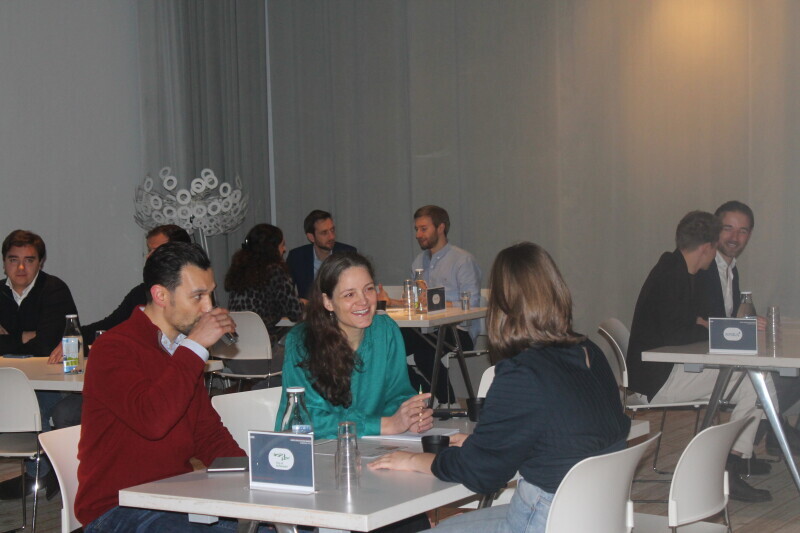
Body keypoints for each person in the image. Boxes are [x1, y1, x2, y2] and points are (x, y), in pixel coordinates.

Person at [369, 242, 630, 533]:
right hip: (595, 513)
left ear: (503, 306)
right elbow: (562, 435)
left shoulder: (523, 373)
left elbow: (481, 475)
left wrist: (415, 460)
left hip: (545, 517)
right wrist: (481, 446)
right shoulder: (589, 351)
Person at [74, 242, 267, 531]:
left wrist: (255, 480)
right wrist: (195, 346)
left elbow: (207, 434)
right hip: (118, 508)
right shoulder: (113, 348)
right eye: (198, 296)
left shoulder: (181, 350)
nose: (209, 307)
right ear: (161, 295)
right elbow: (152, 421)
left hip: (176, 499)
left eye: (210, 294)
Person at [627, 210, 774, 502]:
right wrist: (704, 327)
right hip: (657, 381)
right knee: (757, 381)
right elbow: (677, 332)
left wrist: (701, 325)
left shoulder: (673, 268)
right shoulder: (674, 276)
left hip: (661, 371)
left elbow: (685, 323)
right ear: (708, 247)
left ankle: (734, 461)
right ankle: (731, 465)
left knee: (755, 379)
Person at [275, 251, 433, 441]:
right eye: (349, 294)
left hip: (372, 445)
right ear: (328, 302)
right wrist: (384, 424)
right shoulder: (302, 341)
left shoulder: (385, 330)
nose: (363, 301)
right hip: (315, 450)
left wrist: (410, 414)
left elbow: (398, 393)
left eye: (368, 289)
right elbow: (303, 419)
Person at [695, 201, 800, 455]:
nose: (735, 237)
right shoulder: (704, 268)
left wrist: (748, 323)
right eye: (728, 228)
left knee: (792, 374)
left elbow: (725, 317)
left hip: (723, 354)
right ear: (714, 230)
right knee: (778, 379)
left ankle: (771, 432)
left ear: (749, 235)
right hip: (701, 360)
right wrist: (741, 325)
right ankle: (759, 439)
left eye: (742, 231)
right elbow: (703, 321)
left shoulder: (730, 268)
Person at [0, 229, 77, 500]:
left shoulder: (53, 289)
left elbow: (46, 345)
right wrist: (25, 336)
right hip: (8, 379)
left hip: (50, 380)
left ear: (40, 263)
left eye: (29, 260)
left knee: (34, 403)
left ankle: (40, 473)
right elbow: (39, 340)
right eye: (13, 260)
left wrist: (9, 338)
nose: (21, 268)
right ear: (4, 262)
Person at [379, 205, 482, 406]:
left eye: (423, 229)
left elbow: (472, 304)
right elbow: (417, 303)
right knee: (389, 348)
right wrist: (391, 302)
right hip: (425, 329)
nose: (418, 234)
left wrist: (437, 302)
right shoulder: (419, 261)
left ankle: (448, 402)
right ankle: (427, 397)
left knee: (424, 353)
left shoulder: (462, 260)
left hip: (457, 330)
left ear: (440, 228)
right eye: (417, 229)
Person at [226, 223, 303, 339]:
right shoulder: (275, 271)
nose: (284, 249)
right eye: (282, 245)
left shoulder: (239, 269)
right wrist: (305, 304)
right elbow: (295, 312)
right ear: (272, 248)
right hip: (266, 337)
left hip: (239, 339)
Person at [286, 210, 357, 299]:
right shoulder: (296, 257)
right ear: (311, 237)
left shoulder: (348, 253)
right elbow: (286, 293)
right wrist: (300, 301)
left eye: (332, 230)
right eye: (324, 233)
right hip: (310, 307)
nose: (331, 236)